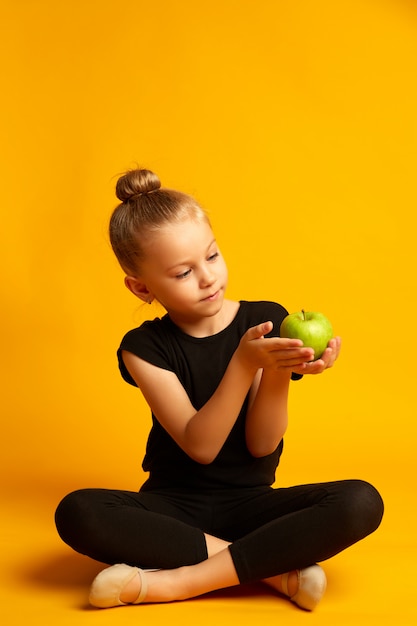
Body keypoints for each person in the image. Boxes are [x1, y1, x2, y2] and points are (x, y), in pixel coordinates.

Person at [55, 168, 384, 611]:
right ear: (141, 287)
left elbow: (262, 442)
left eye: (211, 257)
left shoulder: (265, 319)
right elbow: (201, 446)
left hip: (255, 506)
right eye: (182, 273)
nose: (207, 278)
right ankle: (271, 566)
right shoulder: (142, 348)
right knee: (78, 512)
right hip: (173, 510)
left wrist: (279, 371)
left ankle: (176, 583)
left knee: (360, 501)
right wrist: (245, 363)